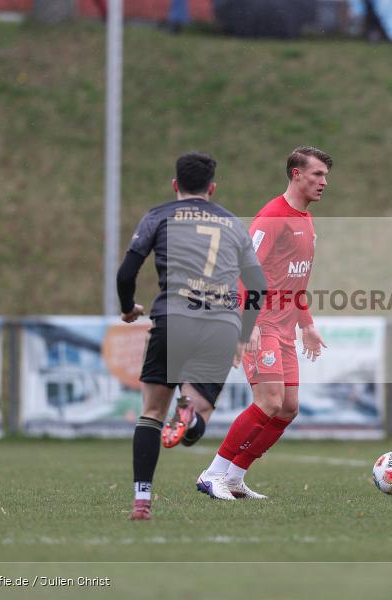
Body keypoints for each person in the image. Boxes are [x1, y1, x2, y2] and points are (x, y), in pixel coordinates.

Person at [116, 152, 267, 520]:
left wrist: (127, 307)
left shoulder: (159, 216)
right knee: (196, 423)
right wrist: (243, 335)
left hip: (173, 319)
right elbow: (259, 287)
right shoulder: (232, 224)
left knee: (151, 413)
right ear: (212, 188)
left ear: (175, 185)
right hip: (221, 325)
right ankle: (190, 413)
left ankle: (141, 500)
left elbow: (126, 274)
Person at [197, 147, 332, 501]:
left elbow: (295, 281)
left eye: (325, 176)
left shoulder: (305, 219)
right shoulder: (273, 217)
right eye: (317, 174)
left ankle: (236, 476)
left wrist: (307, 324)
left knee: (288, 407)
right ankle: (213, 474)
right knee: (269, 400)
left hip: (286, 328)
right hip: (262, 324)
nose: (324, 182)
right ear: (296, 174)